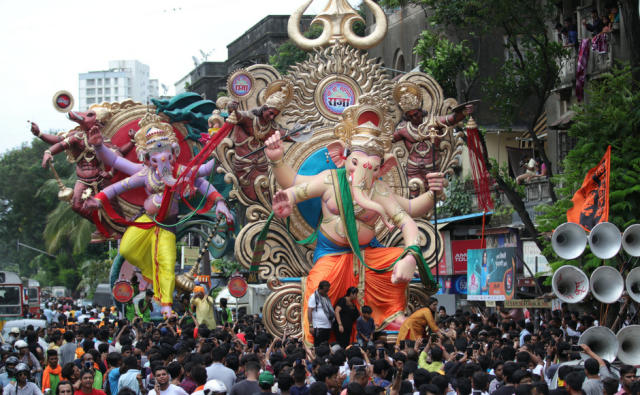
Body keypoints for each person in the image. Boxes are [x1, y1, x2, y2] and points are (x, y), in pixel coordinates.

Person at [307, 281, 335, 347]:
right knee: (318, 346)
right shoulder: (314, 297)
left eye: (328, 290)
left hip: (327, 326)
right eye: (325, 290)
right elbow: (309, 311)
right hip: (318, 326)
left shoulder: (326, 297)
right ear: (320, 289)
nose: (327, 292)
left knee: (326, 346)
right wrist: (310, 325)